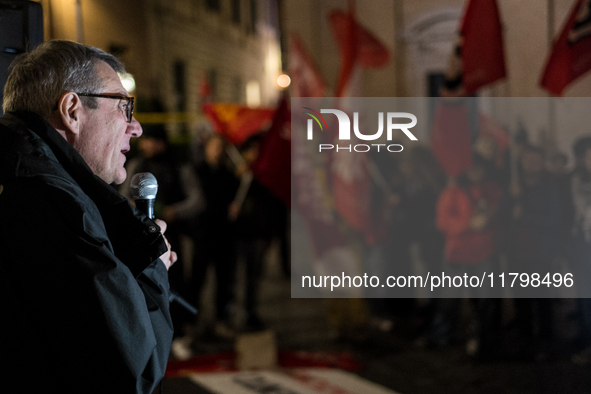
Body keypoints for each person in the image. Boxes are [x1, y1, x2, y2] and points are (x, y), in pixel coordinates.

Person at [0, 40, 176, 393]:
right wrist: (151, 267)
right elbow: (134, 373)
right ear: (72, 110)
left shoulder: (24, 182)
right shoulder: (57, 209)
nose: (136, 127)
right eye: (124, 107)